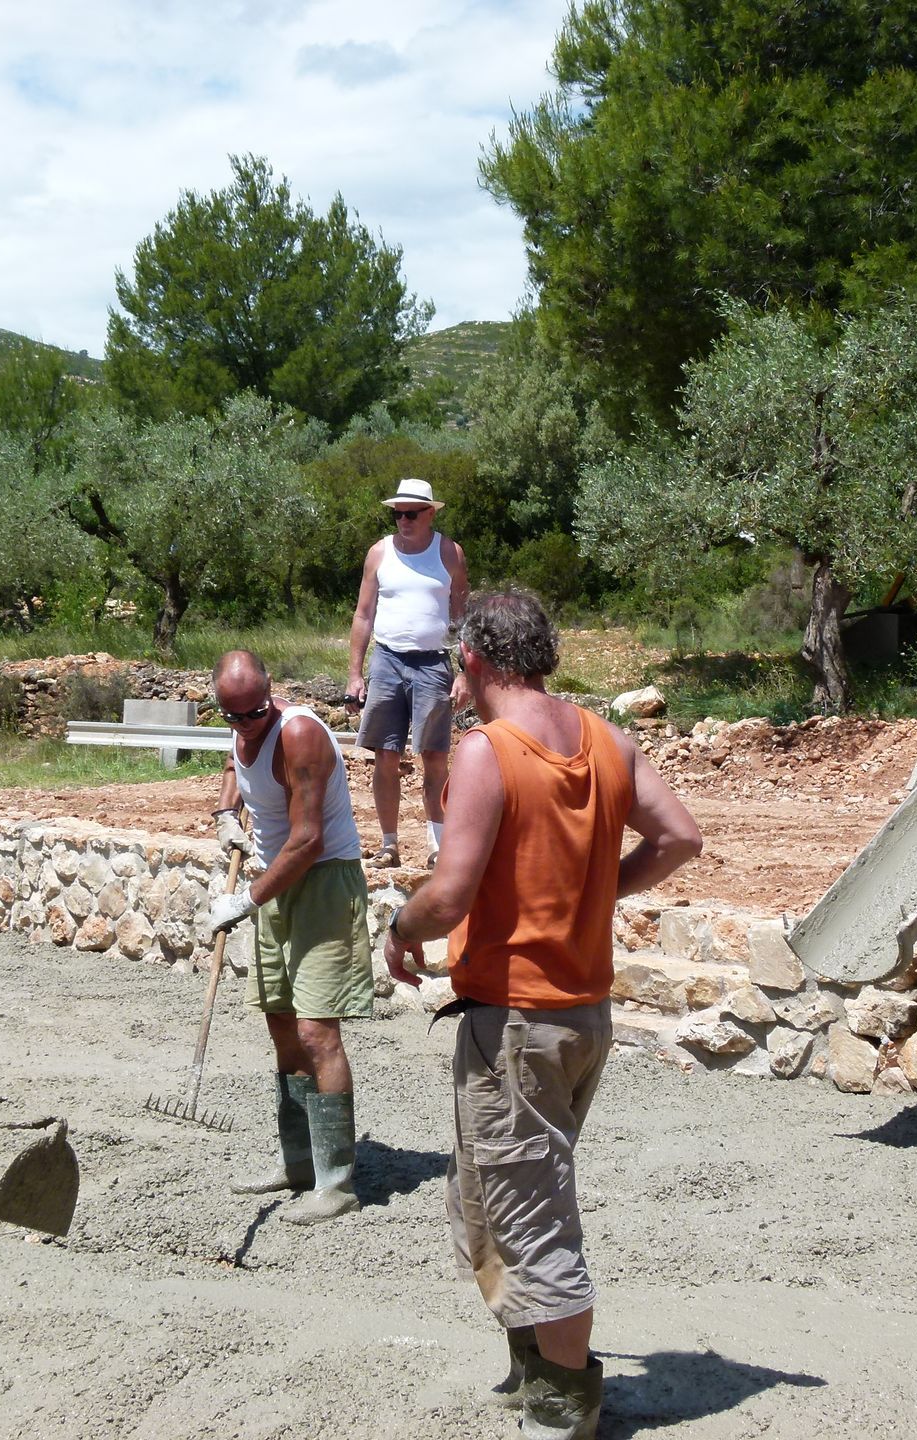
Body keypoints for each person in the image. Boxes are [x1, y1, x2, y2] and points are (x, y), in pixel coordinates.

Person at [385, 589, 702, 1440]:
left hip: (517, 1024)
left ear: (475, 662)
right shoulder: (608, 740)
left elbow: (448, 895)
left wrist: (398, 927)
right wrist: (597, 897)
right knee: (491, 1194)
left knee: (533, 1217)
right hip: (580, 1016)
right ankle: (535, 1374)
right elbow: (678, 838)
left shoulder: (487, 752)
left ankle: (564, 1409)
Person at [207, 649, 374, 1225]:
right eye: (232, 717)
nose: (244, 726)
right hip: (274, 880)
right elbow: (235, 766)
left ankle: (337, 1182)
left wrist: (245, 900)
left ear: (270, 692)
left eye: (254, 714)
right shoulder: (238, 729)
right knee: (280, 1024)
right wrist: (225, 813)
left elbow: (308, 841)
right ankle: (298, 1160)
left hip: (322, 880)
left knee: (315, 1029)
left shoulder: (299, 733)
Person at [346, 477, 469, 868]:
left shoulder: (449, 552)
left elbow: (462, 616)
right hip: (387, 659)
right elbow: (364, 614)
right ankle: (389, 845)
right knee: (385, 753)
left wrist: (465, 673)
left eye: (411, 513)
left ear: (430, 513)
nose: (403, 520)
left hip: (433, 662)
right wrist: (355, 673)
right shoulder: (379, 553)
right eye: (398, 513)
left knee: (433, 755)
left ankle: (438, 846)